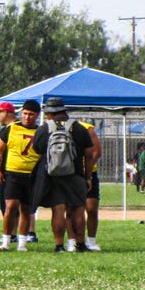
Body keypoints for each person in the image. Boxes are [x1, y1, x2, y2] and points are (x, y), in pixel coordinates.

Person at [30, 97, 95, 253]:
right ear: (64, 111)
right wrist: (88, 177)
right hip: (75, 174)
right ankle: (80, 244)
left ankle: (59, 245)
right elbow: (89, 154)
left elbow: (36, 149)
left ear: (49, 114)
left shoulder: (44, 129)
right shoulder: (78, 128)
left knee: (58, 210)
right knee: (78, 210)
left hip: (52, 175)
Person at [0, 99, 41, 252]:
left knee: (26, 209)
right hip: (13, 173)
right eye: (25, 114)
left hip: (31, 175)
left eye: (31, 115)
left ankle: (22, 242)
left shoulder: (40, 131)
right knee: (10, 206)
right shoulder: (10, 129)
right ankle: (6, 240)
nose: (27, 117)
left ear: (37, 115)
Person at [77, 118, 104, 250]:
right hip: (73, 174)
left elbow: (96, 152)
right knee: (74, 209)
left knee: (91, 208)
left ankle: (91, 241)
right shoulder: (63, 128)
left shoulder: (88, 129)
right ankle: (74, 241)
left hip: (89, 174)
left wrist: (87, 169)